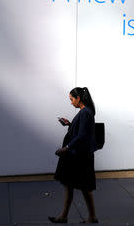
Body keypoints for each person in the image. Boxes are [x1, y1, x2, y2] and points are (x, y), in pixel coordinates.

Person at [49, 87, 99, 224]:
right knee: (72, 185)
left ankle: (90, 216)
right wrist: (70, 124)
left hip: (80, 156)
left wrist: (66, 148)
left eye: (72, 99)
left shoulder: (85, 113)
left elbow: (82, 135)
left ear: (79, 98)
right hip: (78, 155)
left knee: (82, 186)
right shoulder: (86, 112)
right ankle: (66, 216)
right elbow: (81, 132)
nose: (71, 102)